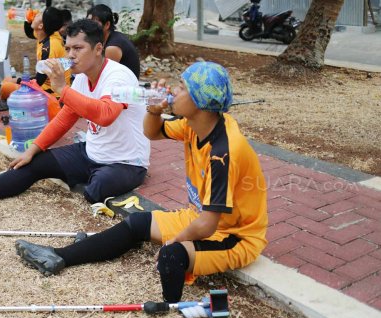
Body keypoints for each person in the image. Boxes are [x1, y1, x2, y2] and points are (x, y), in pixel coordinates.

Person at [15, 62, 269, 304]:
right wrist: (154, 110)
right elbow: (153, 132)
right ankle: (58, 256)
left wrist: (174, 241)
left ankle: (171, 307)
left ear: (200, 101)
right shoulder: (197, 124)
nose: (173, 91)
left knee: (172, 256)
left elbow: (207, 224)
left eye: (181, 87)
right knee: (137, 223)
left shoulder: (223, 153)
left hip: (235, 237)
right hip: (200, 218)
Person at [0, 19, 150, 209]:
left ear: (98, 49)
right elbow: (66, 117)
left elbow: (105, 115)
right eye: (68, 48)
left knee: (96, 190)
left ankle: (89, 179)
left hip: (126, 162)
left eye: (78, 48)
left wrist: (63, 90)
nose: (70, 55)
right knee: (32, 162)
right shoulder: (82, 77)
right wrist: (34, 149)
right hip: (92, 151)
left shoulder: (119, 76)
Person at [0, 5, 70, 112]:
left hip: (53, 95)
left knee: (5, 86)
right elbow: (30, 33)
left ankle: (11, 103)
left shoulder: (49, 48)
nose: (37, 14)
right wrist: (27, 18)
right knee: (8, 80)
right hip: (47, 84)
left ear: (40, 26)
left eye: (40, 15)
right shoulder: (49, 34)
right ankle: (14, 99)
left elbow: (38, 82)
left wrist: (17, 80)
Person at [87, 4, 140, 78]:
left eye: (94, 23)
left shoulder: (112, 47)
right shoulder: (108, 38)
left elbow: (103, 75)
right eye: (88, 22)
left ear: (107, 25)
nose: (89, 27)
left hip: (125, 86)